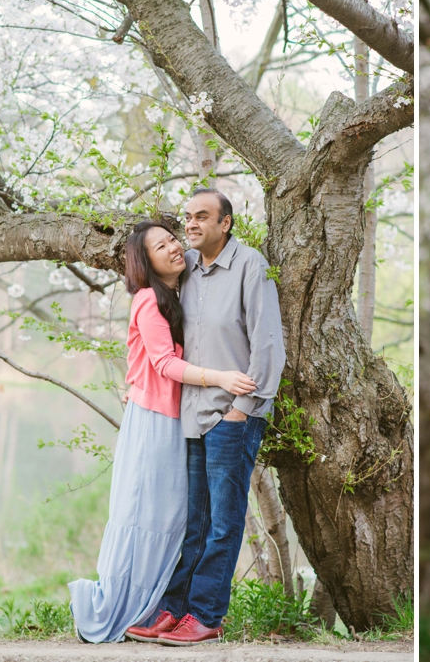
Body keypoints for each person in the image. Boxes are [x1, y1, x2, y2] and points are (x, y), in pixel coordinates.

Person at [69, 220, 258, 643]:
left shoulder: (180, 292)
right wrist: (222, 378)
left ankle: (158, 606)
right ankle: (122, 607)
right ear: (146, 261)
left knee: (174, 518)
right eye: (161, 245)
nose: (174, 246)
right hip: (153, 421)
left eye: (173, 238)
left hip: (178, 419)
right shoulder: (148, 300)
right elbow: (163, 365)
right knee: (145, 514)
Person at [126, 189, 285, 646]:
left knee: (223, 520)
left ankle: (207, 615)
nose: (190, 225)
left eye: (202, 217)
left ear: (226, 223)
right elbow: (159, 342)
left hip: (233, 417)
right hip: (191, 415)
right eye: (187, 217)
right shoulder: (187, 269)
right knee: (193, 520)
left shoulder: (249, 266)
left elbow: (269, 346)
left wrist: (242, 411)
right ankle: (174, 609)